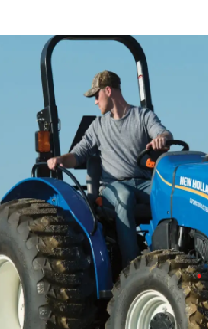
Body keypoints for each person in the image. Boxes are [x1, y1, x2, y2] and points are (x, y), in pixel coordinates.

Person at [47, 70, 173, 267]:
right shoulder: (97, 126)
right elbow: (77, 154)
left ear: (108, 91)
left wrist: (161, 139)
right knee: (124, 196)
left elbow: (163, 133)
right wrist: (60, 159)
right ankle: (132, 267)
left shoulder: (142, 116)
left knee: (171, 192)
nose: (95, 102)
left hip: (142, 183)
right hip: (112, 187)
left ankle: (170, 255)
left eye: (96, 96)